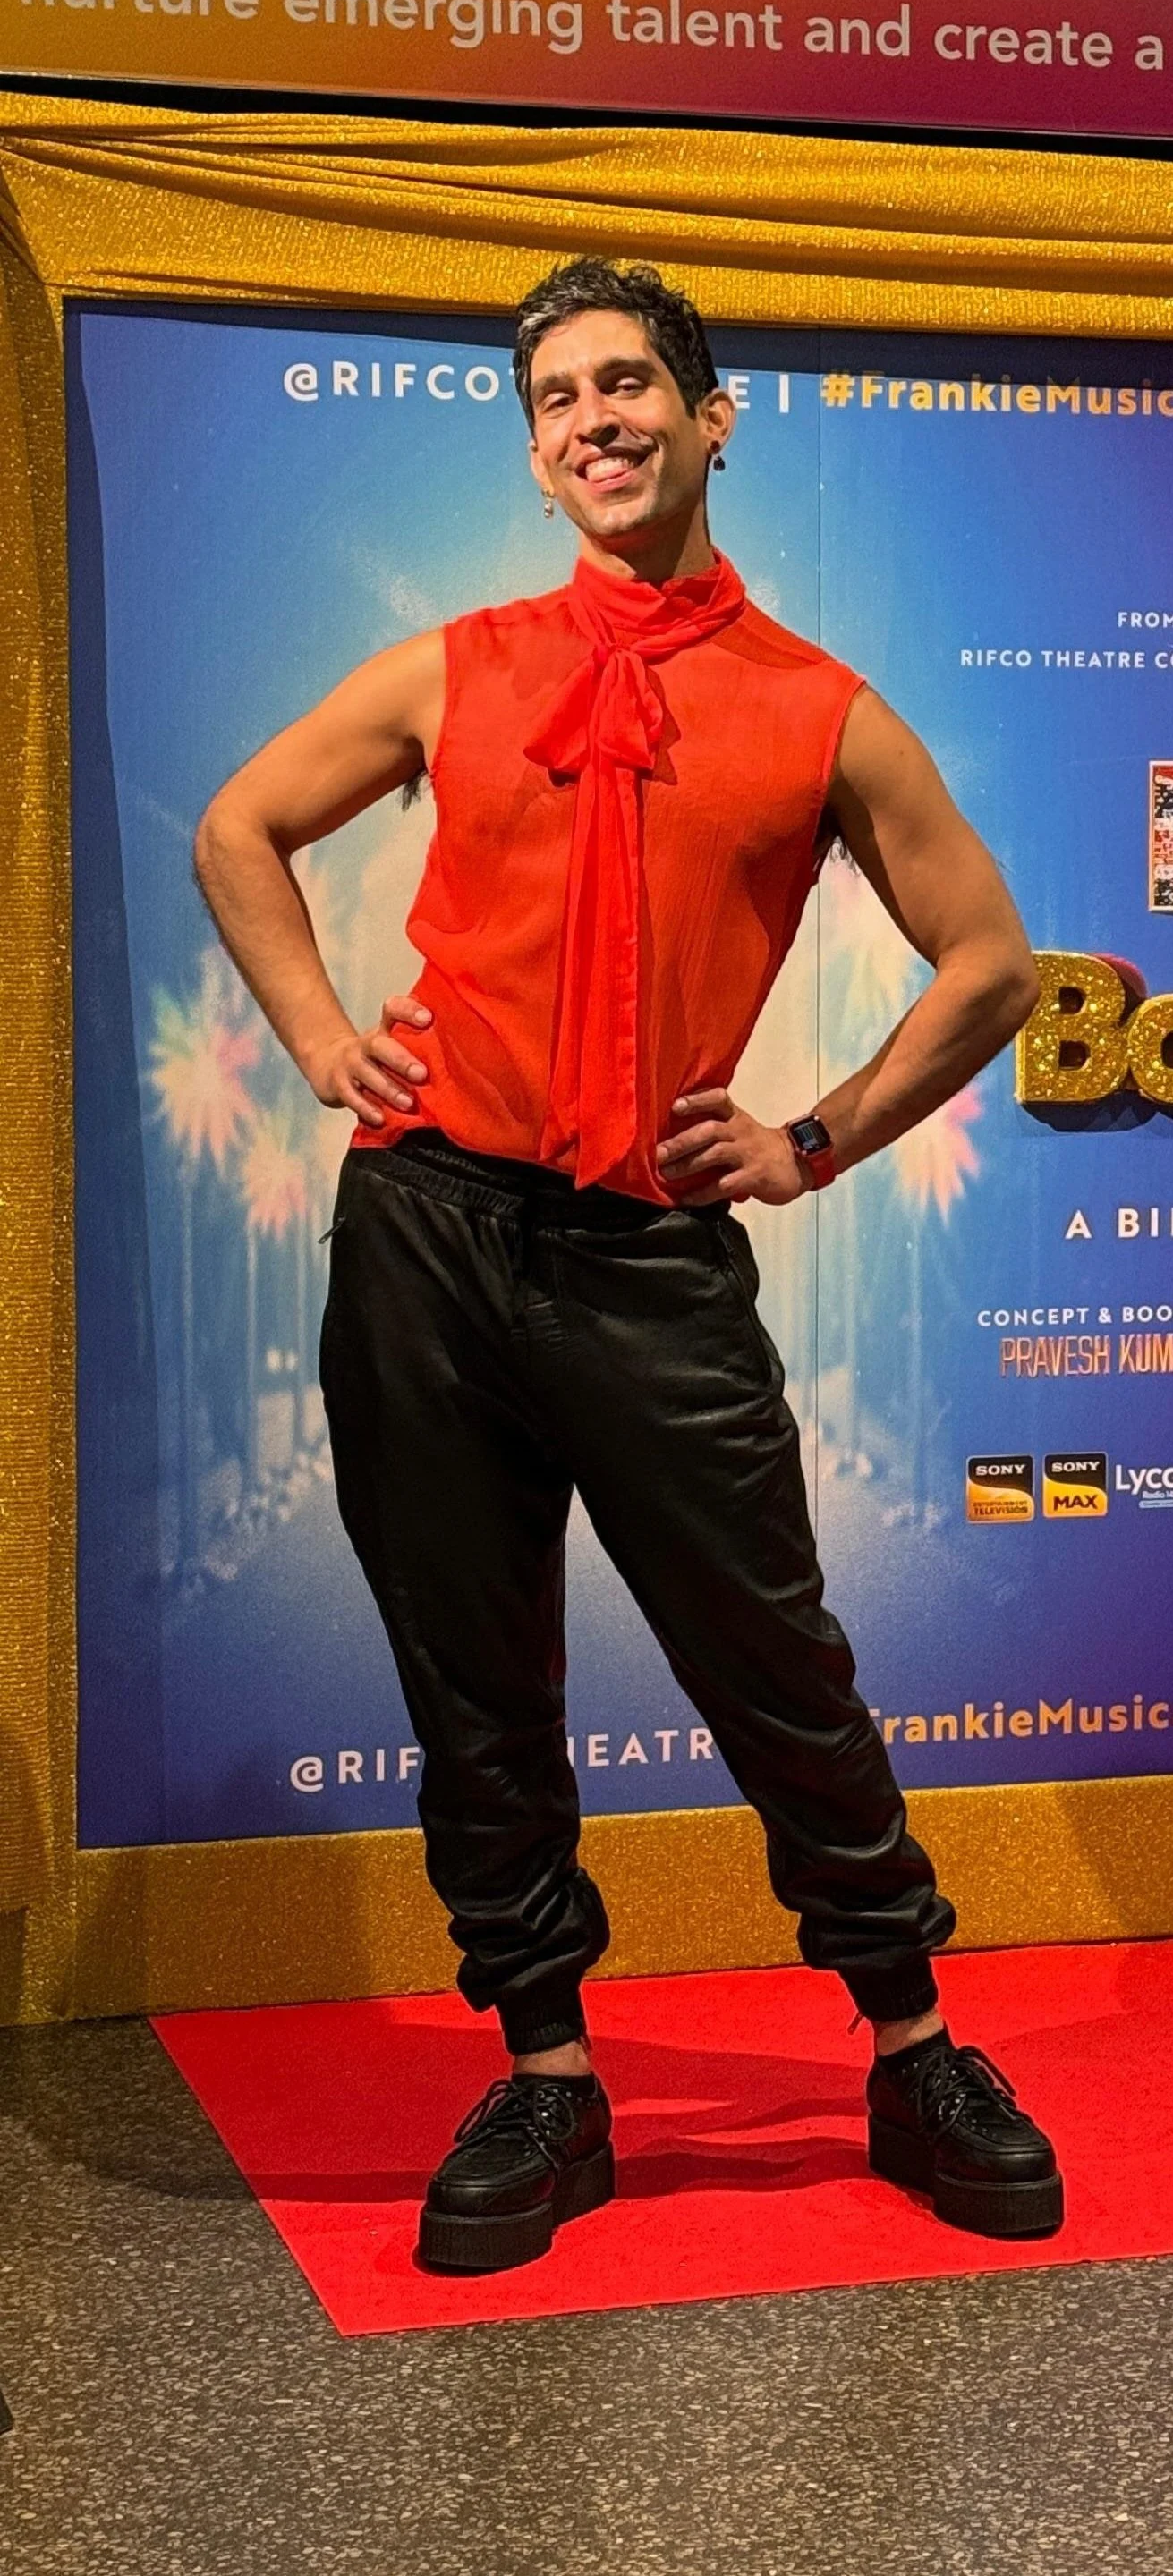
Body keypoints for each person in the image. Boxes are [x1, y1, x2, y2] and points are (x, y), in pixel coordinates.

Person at [194, 258, 1059, 2274]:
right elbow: (244, 828)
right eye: (559, 395)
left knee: (779, 1669)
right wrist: (326, 1040)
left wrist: (815, 1133)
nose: (594, 416)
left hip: (654, 1263)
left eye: (628, 383)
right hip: (423, 1238)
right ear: (535, 445)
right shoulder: (458, 664)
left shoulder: (819, 706)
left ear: (709, 411)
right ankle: (549, 2066)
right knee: (476, 1682)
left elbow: (996, 959)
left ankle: (913, 2040)